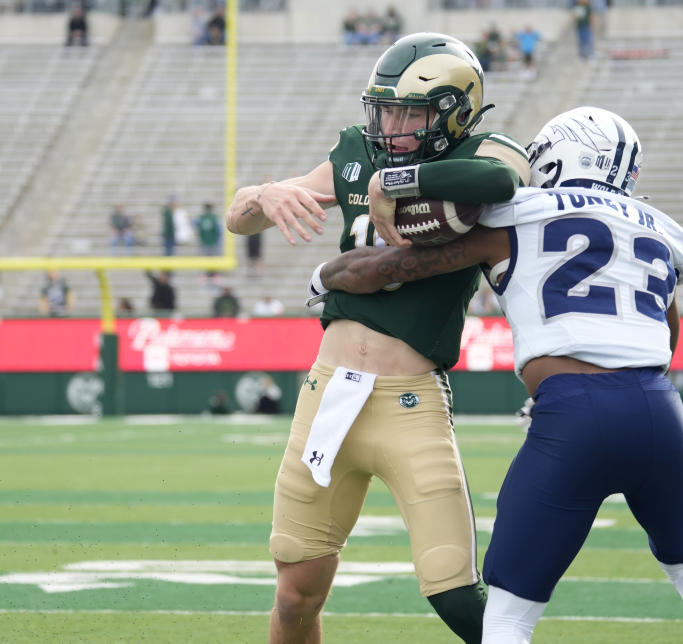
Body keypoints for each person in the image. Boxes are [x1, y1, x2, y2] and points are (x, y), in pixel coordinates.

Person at [310, 106, 683, 644]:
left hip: (573, 412)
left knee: (509, 614)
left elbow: (380, 270)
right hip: (659, 408)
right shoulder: (657, 227)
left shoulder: (520, 212)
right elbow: (668, 332)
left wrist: (326, 276)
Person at [224, 33, 529, 644]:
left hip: (409, 400)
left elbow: (500, 181)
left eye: (410, 112)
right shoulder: (357, 153)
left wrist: (403, 180)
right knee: (294, 595)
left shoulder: (484, 151)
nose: (391, 125)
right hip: (328, 395)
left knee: (456, 594)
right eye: (385, 109)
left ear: (455, 112)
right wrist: (266, 192)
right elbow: (238, 217)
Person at [195, 202, 222, 284]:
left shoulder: (214, 218)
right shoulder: (202, 218)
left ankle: (214, 274)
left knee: (213, 259)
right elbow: (199, 230)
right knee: (206, 259)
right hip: (205, 242)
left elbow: (216, 231)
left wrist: (215, 241)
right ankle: (206, 274)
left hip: (212, 242)